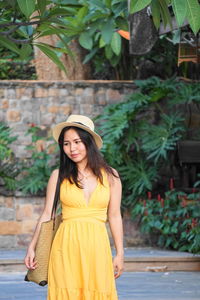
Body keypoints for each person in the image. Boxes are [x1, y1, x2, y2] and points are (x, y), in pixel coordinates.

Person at [24, 114, 124, 300]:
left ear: (89, 142)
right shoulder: (58, 175)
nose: (72, 148)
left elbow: (115, 216)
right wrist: (32, 247)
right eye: (66, 144)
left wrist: (119, 253)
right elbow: (47, 214)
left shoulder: (111, 176)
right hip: (65, 246)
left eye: (77, 142)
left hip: (97, 247)